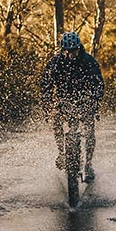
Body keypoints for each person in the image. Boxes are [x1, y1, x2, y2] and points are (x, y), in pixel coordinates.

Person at [40, 31, 104, 182]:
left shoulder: (89, 61)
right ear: (63, 50)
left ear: (79, 47)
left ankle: (88, 164)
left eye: (74, 49)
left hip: (84, 100)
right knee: (56, 120)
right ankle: (61, 153)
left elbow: (99, 83)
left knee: (89, 129)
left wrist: (94, 100)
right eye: (68, 51)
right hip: (63, 101)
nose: (72, 53)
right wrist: (47, 105)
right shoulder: (55, 63)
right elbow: (46, 86)